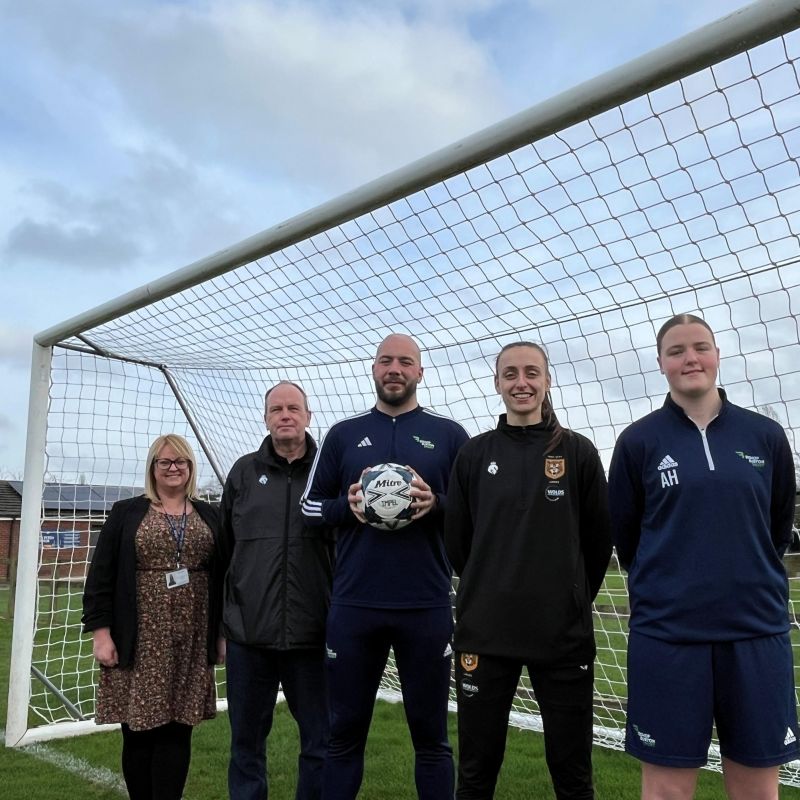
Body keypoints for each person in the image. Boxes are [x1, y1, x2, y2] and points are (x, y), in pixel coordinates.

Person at [608, 313, 799, 800]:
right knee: (668, 790)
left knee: (757, 789)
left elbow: (775, 530)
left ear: (717, 355)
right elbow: (628, 538)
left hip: (756, 631)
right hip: (669, 636)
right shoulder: (637, 442)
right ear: (660, 364)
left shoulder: (766, 436)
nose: (690, 358)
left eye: (700, 347)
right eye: (676, 351)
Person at [301, 332, 469, 800]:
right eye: (385, 361)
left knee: (432, 739)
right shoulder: (344, 434)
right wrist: (348, 506)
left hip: (427, 605)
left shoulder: (449, 435)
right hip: (355, 606)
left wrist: (436, 504)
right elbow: (309, 508)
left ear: (420, 371)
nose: (394, 369)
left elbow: (477, 511)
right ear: (373, 370)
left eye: (405, 362)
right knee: (343, 736)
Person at [445, 341, 612, 800]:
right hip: (485, 634)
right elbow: (458, 543)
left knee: (572, 771)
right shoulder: (474, 455)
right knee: (476, 771)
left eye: (532, 373)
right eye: (511, 374)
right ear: (497, 383)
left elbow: (598, 543)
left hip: (561, 636)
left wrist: (569, 596)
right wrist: (490, 587)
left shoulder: (578, 452)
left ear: (547, 381)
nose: (522, 383)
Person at [82, 433, 221, 800]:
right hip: (140, 635)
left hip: (191, 634)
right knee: (139, 730)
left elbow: (225, 577)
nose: (173, 468)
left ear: (190, 467)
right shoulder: (127, 512)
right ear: (153, 469)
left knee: (179, 728)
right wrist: (101, 632)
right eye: (165, 462)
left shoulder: (210, 514)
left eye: (181, 462)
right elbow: (101, 574)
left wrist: (220, 634)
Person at [219, 381, 332, 800]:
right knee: (246, 745)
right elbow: (225, 553)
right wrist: (223, 624)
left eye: (293, 408)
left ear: (307, 415)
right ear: (266, 418)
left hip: (315, 635)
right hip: (250, 636)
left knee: (321, 743)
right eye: (276, 409)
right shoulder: (244, 472)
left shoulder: (330, 471)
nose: (285, 415)